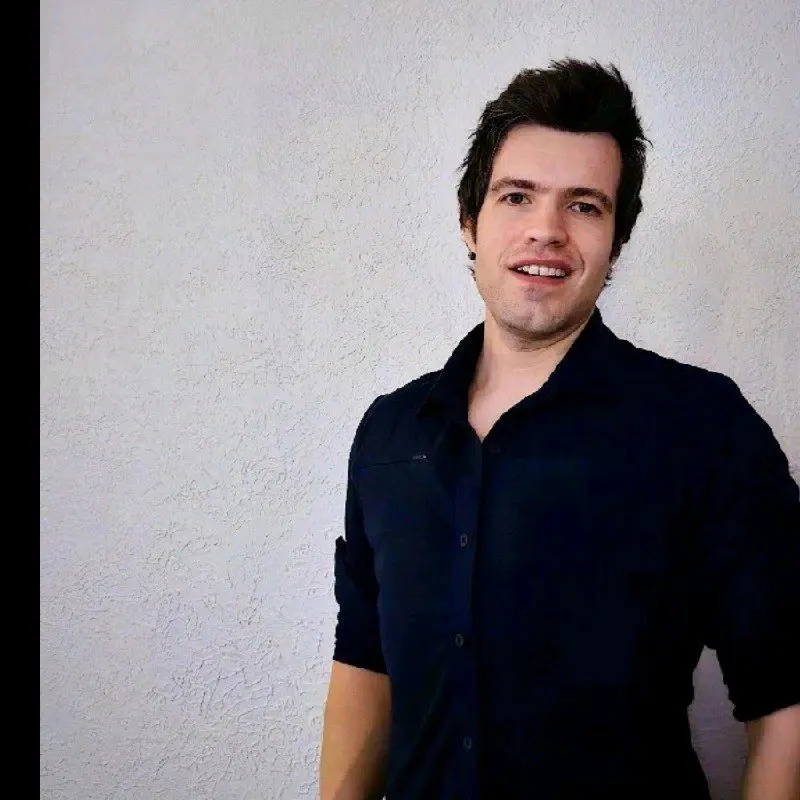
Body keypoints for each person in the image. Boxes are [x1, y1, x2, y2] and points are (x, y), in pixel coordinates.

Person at [318, 59, 800, 800]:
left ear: (616, 239)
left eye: (584, 205)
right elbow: (364, 664)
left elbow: (785, 699)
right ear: (470, 221)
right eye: (517, 196)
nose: (546, 231)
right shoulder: (389, 436)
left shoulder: (705, 428)